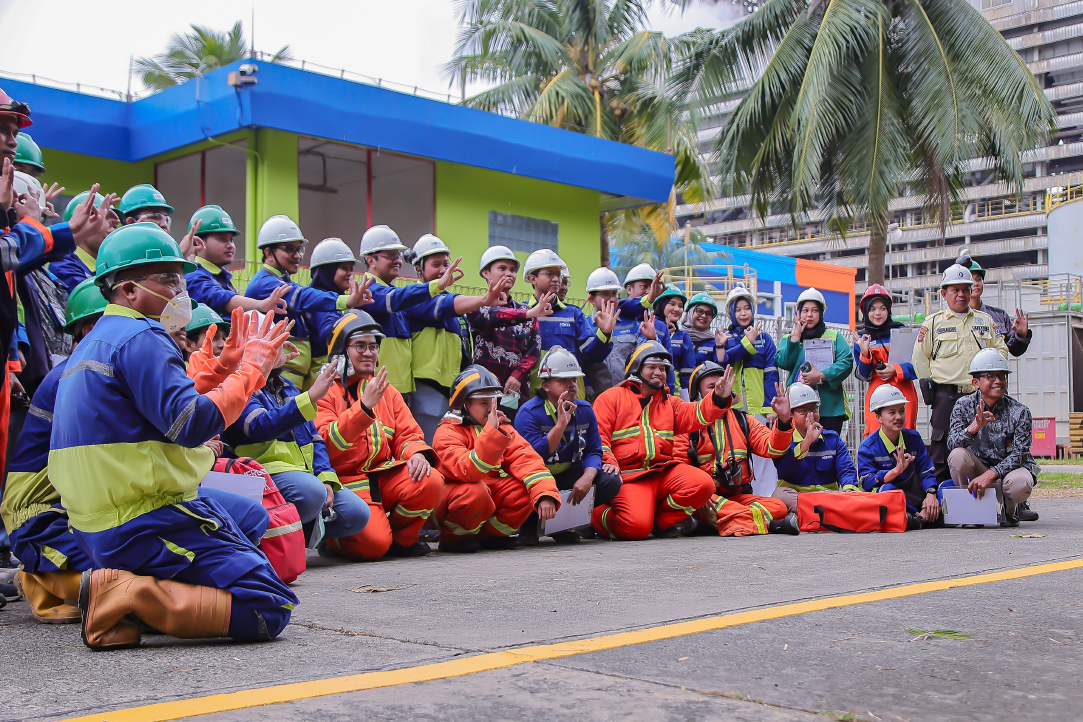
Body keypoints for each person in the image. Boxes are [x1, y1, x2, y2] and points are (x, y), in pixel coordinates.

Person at [51, 223, 298, 649]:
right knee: (267, 607)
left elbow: (160, 410)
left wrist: (223, 368)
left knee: (247, 529)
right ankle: (128, 594)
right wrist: (252, 371)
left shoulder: (97, 343)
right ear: (128, 291)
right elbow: (191, 424)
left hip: (102, 523)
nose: (181, 289)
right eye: (168, 279)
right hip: (142, 518)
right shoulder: (143, 336)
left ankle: (127, 595)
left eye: (181, 278)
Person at [222, 328, 370, 552]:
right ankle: (271, 547)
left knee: (357, 514)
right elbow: (257, 426)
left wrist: (326, 478)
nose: (284, 350)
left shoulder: (288, 388)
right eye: (276, 345)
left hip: (304, 477)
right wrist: (310, 397)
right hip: (262, 475)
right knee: (311, 494)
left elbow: (315, 440)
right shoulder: (241, 385)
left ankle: (287, 542)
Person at [312, 311, 443, 559]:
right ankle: (331, 539)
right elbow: (326, 445)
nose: (369, 353)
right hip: (346, 484)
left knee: (430, 479)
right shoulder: (324, 389)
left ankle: (401, 542)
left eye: (373, 346)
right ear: (341, 350)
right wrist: (363, 408)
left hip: (382, 476)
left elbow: (408, 433)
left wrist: (416, 454)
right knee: (373, 546)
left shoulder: (387, 390)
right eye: (360, 345)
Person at [591, 341, 732, 540]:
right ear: (636, 367)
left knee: (703, 484)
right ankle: (595, 515)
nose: (659, 372)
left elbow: (697, 414)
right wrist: (610, 462)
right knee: (636, 528)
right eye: (652, 367)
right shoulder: (610, 398)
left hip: (663, 473)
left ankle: (660, 523)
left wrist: (718, 397)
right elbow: (598, 438)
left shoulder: (670, 402)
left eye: (663, 368)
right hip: (629, 477)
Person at [432, 365, 561, 552]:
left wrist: (545, 494)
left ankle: (491, 536)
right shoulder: (447, 431)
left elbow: (527, 460)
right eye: (483, 403)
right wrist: (491, 433)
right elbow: (469, 471)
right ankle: (455, 538)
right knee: (474, 492)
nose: (491, 409)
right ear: (465, 404)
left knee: (524, 490)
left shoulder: (502, 428)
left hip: (484, 493)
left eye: (493, 402)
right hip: (458, 495)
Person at [402, 234, 511, 441]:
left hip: (452, 390)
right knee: (431, 450)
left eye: (446, 263)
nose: (444, 270)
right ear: (419, 269)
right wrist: (483, 299)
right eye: (436, 264)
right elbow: (442, 305)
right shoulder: (413, 298)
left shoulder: (454, 303)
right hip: (426, 389)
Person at [245, 215, 370, 389]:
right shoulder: (265, 283)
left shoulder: (282, 282)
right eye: (290, 249)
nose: (297, 256)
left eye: (299, 249)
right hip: (276, 380)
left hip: (291, 381)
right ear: (268, 252)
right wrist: (345, 301)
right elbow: (302, 296)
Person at [513, 346, 623, 543]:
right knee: (517, 484)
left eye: (573, 379)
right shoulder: (528, 413)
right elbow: (532, 458)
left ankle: (560, 525)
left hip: (566, 475)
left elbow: (594, 450)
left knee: (610, 480)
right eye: (562, 380)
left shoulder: (585, 410)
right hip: (536, 478)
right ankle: (529, 524)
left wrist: (588, 477)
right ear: (546, 385)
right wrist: (560, 425)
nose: (571, 384)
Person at [912, 263, 1009, 482]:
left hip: (981, 396)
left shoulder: (985, 321)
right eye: (955, 290)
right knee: (943, 447)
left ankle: (1000, 498)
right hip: (946, 396)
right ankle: (940, 500)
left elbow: (1002, 350)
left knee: (989, 443)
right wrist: (928, 386)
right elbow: (919, 356)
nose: (961, 294)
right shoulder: (933, 323)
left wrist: (991, 378)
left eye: (965, 289)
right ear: (944, 294)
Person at [679, 362, 799, 537]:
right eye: (712, 387)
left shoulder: (744, 421)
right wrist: (697, 495)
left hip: (738, 497)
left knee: (779, 507)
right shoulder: (688, 424)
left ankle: (718, 523)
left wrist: (784, 421)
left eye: (722, 384)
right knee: (694, 505)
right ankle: (770, 526)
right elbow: (678, 468)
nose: (720, 389)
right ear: (697, 394)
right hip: (707, 499)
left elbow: (773, 448)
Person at [357, 225, 469, 396]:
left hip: (399, 390)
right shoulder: (367, 292)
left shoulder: (397, 297)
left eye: (398, 255)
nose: (397, 260)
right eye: (390, 255)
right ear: (370, 260)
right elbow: (393, 299)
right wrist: (438, 285)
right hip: (377, 389)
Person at [946, 348, 1038, 527]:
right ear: (976, 382)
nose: (998, 381)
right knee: (957, 456)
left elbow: (1020, 455)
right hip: (977, 473)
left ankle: (1010, 512)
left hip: (1006, 475)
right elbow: (951, 445)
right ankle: (971, 512)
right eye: (991, 376)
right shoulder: (962, 406)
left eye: (1002, 376)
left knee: (1021, 483)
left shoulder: (1020, 411)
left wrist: (991, 474)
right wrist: (972, 429)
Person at [465, 246, 552, 413]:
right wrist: (528, 313)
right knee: (484, 433)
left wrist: (517, 375)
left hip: (514, 391)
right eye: (502, 268)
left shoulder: (526, 310)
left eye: (512, 270)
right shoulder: (476, 305)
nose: (509, 273)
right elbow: (493, 315)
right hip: (482, 389)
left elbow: (535, 349)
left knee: (511, 433)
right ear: (485, 273)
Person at [524, 248, 616, 392]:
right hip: (533, 395)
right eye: (549, 274)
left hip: (572, 395)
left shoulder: (574, 314)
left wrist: (604, 334)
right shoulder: (523, 313)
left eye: (558, 274)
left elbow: (591, 355)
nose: (556, 279)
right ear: (532, 278)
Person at [184, 205, 289, 318]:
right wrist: (260, 304)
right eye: (222, 239)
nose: (230, 245)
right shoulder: (192, 275)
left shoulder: (221, 277)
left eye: (231, 240)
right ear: (197, 242)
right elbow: (219, 297)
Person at [856, 385, 938, 529]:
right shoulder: (867, 447)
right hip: (892, 497)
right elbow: (866, 482)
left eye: (901, 411)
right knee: (887, 490)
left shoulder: (914, 438)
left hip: (915, 495)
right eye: (891, 412)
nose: (898, 417)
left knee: (947, 487)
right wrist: (894, 472)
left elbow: (926, 471)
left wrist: (931, 493)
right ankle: (919, 516)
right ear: (878, 417)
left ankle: (916, 518)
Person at [776, 287, 854, 435]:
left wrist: (821, 376)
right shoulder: (789, 338)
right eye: (805, 310)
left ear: (821, 313)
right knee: (801, 451)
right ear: (798, 313)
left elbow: (846, 362)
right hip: (798, 408)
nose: (809, 315)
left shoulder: (835, 336)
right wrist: (795, 338)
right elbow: (783, 362)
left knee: (829, 451)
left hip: (830, 408)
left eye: (815, 310)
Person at [772, 383, 859, 513]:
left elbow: (846, 469)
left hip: (828, 496)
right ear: (791, 414)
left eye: (814, 409)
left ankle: (809, 515)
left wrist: (848, 488)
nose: (810, 415)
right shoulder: (784, 439)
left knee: (858, 493)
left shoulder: (832, 439)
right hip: (797, 497)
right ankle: (828, 513)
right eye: (804, 411)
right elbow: (784, 469)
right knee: (779, 495)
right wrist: (806, 442)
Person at [854, 284, 917, 436]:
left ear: (888, 310)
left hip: (904, 391)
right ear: (865, 311)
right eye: (872, 309)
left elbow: (918, 365)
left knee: (906, 436)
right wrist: (864, 352)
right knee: (876, 438)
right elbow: (864, 375)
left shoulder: (903, 332)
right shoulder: (861, 338)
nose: (878, 313)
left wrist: (896, 370)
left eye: (882, 308)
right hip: (876, 393)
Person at [720, 286, 778, 417]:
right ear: (731, 312)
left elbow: (771, 374)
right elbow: (725, 361)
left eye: (747, 308)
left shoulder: (764, 338)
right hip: (732, 405)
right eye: (738, 309)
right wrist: (748, 342)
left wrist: (770, 408)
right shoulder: (725, 337)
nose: (743, 313)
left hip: (759, 407)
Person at [582, 267, 637, 397]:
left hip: (630, 399)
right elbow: (582, 365)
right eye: (606, 294)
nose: (612, 299)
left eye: (614, 294)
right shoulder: (584, 327)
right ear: (591, 299)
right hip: (597, 400)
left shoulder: (632, 324)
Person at [962, 255, 1031, 357]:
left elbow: (1015, 350)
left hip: (995, 372)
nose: (976, 284)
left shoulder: (1000, 315)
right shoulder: (956, 316)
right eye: (971, 280)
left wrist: (1021, 335)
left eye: (979, 279)